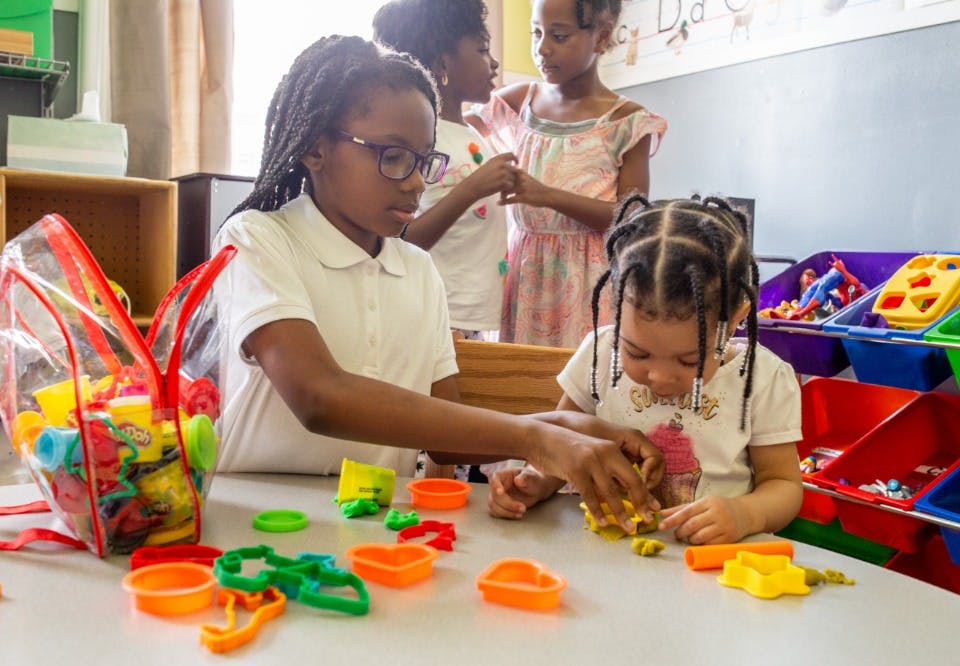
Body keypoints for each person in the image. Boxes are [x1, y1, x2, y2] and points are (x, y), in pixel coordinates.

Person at [211, 35, 662, 530]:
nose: (415, 182)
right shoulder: (257, 238)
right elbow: (318, 396)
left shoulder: (417, 269)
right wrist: (535, 438)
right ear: (317, 148)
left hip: (372, 529)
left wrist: (566, 426)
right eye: (393, 156)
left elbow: (445, 432)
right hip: (255, 524)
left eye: (424, 159)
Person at [488, 197, 804, 545]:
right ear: (616, 305)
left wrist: (746, 514)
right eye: (637, 353)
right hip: (604, 553)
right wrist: (536, 480)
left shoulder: (762, 379)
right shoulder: (599, 355)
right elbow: (563, 446)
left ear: (735, 321)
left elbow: (784, 486)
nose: (660, 378)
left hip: (711, 563)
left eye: (688, 361)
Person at [470, 0, 667, 348]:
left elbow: (631, 218)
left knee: (578, 376)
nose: (542, 48)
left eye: (559, 36)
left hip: (589, 285)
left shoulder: (627, 121)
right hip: (524, 276)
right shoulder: (518, 101)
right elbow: (450, 130)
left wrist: (547, 196)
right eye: (536, 33)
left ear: (601, 37)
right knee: (518, 375)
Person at [373, 0, 515, 342]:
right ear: (443, 64)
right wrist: (472, 189)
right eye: (482, 49)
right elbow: (400, 241)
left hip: (471, 319)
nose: (494, 62)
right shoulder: (422, 138)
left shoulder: (469, 131)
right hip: (437, 316)